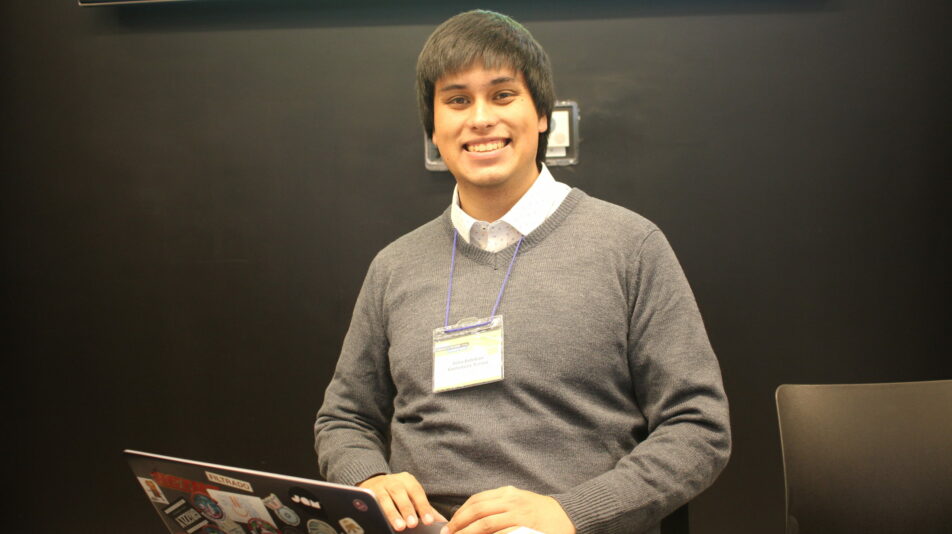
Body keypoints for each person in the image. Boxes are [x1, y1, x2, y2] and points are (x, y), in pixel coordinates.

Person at [314, 10, 730, 534]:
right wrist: (368, 478)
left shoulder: (631, 247)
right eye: (457, 100)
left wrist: (572, 512)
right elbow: (344, 418)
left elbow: (697, 427)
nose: (480, 118)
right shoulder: (394, 266)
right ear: (434, 128)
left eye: (503, 95)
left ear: (541, 115)